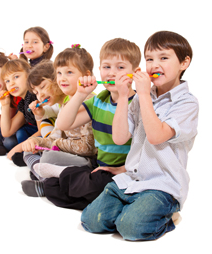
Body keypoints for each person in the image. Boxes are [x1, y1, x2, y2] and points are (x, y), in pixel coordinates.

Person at [81, 31, 199, 241]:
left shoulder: (187, 103)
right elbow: (119, 137)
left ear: (184, 63)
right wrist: (125, 96)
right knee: (91, 221)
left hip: (163, 185)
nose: (154, 65)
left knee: (131, 228)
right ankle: (133, 209)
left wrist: (143, 94)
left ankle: (169, 217)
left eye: (163, 58)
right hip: (132, 179)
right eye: (150, 59)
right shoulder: (138, 98)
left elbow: (156, 136)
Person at [21, 38, 141, 210]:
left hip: (127, 171)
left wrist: (123, 96)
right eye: (107, 67)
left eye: (120, 67)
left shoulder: (138, 103)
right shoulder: (99, 100)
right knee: (59, 186)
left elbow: (122, 139)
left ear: (135, 73)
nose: (112, 73)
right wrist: (79, 93)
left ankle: (74, 184)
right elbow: (63, 124)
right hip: (101, 167)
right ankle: (85, 192)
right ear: (99, 70)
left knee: (94, 182)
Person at [21, 44, 97, 191]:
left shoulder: (89, 101)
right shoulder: (67, 102)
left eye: (69, 72)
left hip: (86, 161)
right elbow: (54, 135)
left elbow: (88, 148)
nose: (62, 78)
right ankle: (45, 178)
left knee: (49, 157)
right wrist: (36, 141)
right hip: (69, 154)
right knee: (29, 150)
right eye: (59, 73)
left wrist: (55, 146)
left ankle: (47, 184)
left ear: (86, 75)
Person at [13, 59, 66, 167]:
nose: (40, 95)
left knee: (45, 157)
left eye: (42, 87)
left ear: (57, 80)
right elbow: (53, 111)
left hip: (69, 146)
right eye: (36, 92)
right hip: (57, 143)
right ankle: (40, 164)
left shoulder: (70, 101)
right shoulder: (59, 104)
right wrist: (40, 113)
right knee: (45, 121)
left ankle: (41, 164)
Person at [0, 59, 40, 162]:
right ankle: (27, 154)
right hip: (37, 133)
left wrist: (19, 147)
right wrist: (5, 105)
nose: (11, 83)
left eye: (16, 77)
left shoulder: (35, 95)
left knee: (21, 133)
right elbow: (7, 132)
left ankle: (28, 154)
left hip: (49, 131)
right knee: (21, 131)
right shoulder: (23, 102)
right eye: (7, 81)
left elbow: (42, 130)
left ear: (29, 75)